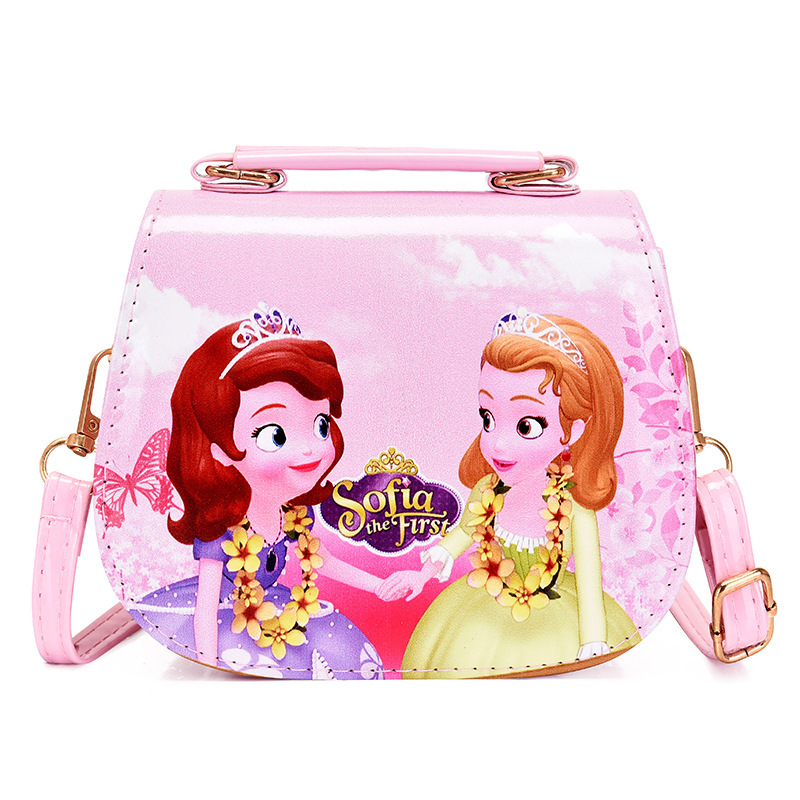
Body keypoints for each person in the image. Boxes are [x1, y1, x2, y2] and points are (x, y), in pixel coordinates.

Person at [127, 304, 396, 679]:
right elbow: (206, 608)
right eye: (275, 435)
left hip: (276, 610)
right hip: (225, 619)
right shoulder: (222, 526)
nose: (309, 449)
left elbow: (323, 561)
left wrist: (378, 585)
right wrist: (207, 668)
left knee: (338, 652)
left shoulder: (293, 515)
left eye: (320, 425)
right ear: (217, 447)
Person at [397, 310, 641, 678]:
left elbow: (589, 578)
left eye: (527, 425)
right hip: (481, 609)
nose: (497, 443)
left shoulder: (574, 506)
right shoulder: (487, 491)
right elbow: (464, 533)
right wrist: (424, 574)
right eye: (488, 418)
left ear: (575, 428)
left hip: (557, 621)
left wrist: (593, 638)